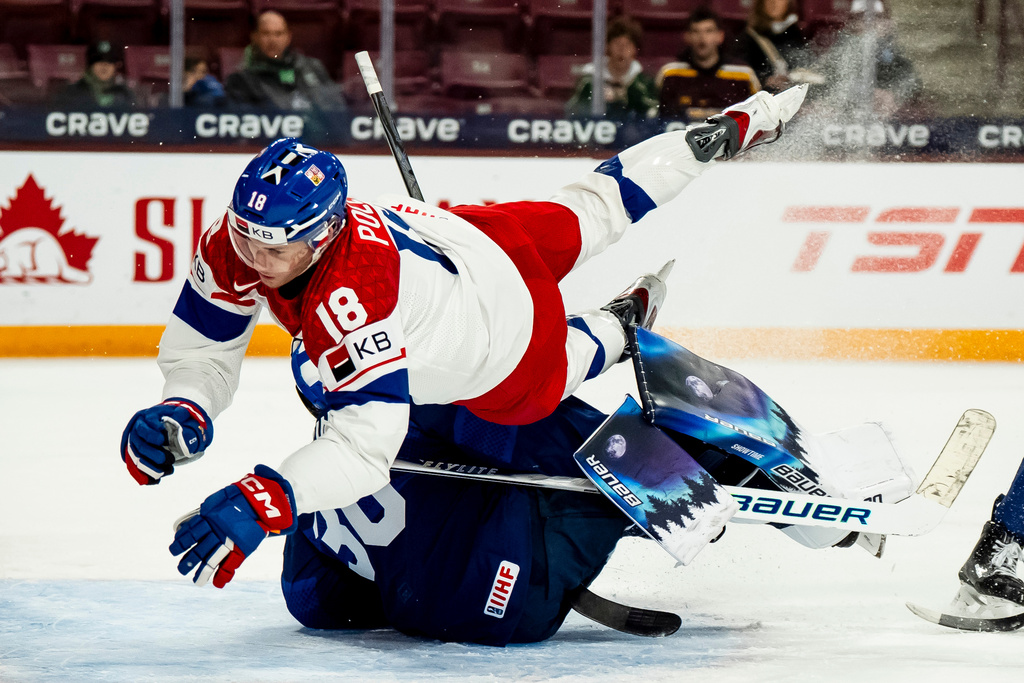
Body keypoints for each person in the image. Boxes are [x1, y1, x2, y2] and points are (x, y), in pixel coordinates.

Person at [121, 84, 808, 594]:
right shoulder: (247, 242)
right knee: (597, 204)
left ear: (323, 234)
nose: (250, 255)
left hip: (498, 337)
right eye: (244, 232)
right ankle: (726, 130)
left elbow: (366, 450)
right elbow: (206, 340)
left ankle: (615, 326)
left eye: (272, 246)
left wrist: (268, 498)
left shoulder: (350, 305)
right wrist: (186, 403)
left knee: (541, 383)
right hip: (468, 235)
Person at [813, 0, 920, 119]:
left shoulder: (902, 66)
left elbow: (917, 104)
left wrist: (895, 101)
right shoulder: (835, 60)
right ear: (850, 24)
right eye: (861, 17)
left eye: (877, 17)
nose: (870, 23)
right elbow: (816, 94)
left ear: (888, 24)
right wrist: (822, 105)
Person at [224, 10, 345, 112]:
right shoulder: (241, 79)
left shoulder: (312, 67)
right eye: (266, 33)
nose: (273, 40)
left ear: (288, 37)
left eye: (278, 34)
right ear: (254, 37)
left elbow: (337, 107)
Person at [656, 7, 760, 121]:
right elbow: (658, 119)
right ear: (687, 37)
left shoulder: (743, 74)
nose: (702, 38)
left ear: (720, 36)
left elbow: (758, 115)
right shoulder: (670, 74)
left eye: (708, 31)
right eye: (696, 31)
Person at [566, 16, 658, 120]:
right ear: (608, 46)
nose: (622, 49)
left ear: (635, 49)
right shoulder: (589, 79)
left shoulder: (643, 83)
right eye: (617, 43)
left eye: (627, 44)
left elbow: (653, 114)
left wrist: (629, 96)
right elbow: (572, 110)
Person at [737, 0, 820, 93]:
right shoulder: (750, 36)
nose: (774, 3)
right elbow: (742, 69)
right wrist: (765, 80)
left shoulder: (797, 33)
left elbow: (805, 64)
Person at [53, 40, 138, 109]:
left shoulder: (125, 94)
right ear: (89, 66)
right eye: (98, 61)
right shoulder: (71, 94)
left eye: (109, 61)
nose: (104, 66)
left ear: (116, 66)